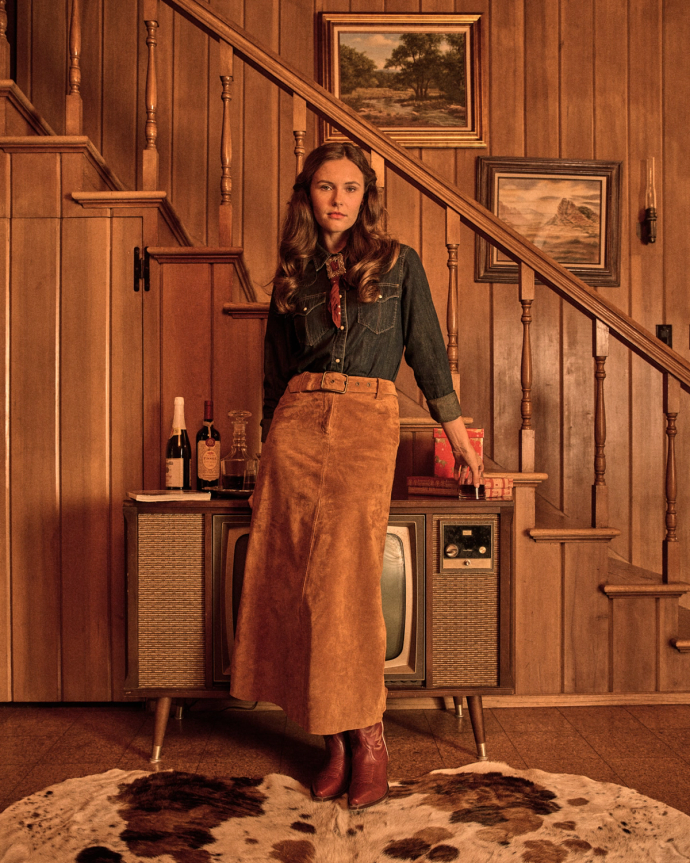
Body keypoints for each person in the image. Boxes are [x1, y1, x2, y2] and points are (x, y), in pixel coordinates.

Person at [229, 141, 483, 811]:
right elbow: (273, 377)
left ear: (365, 196)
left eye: (349, 187)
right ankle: (333, 740)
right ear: (307, 195)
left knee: (346, 581)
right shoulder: (292, 275)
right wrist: (264, 460)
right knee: (298, 582)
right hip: (296, 424)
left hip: (367, 423)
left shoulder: (400, 263)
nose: (337, 198)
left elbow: (428, 355)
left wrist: (459, 440)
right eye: (325, 186)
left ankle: (369, 738)